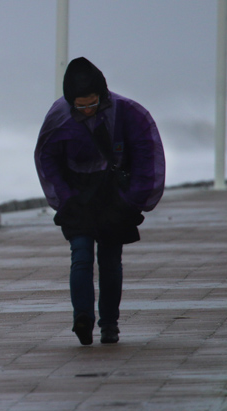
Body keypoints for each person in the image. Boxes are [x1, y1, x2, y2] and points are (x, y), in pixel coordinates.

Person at [34, 57, 165, 345]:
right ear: (71, 101)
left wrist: (134, 200)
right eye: (80, 106)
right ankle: (82, 317)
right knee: (80, 255)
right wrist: (64, 199)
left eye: (92, 103)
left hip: (114, 195)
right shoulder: (59, 117)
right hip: (77, 196)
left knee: (110, 260)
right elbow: (46, 159)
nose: (87, 109)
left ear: (102, 95)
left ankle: (109, 324)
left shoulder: (128, 112)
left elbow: (147, 153)